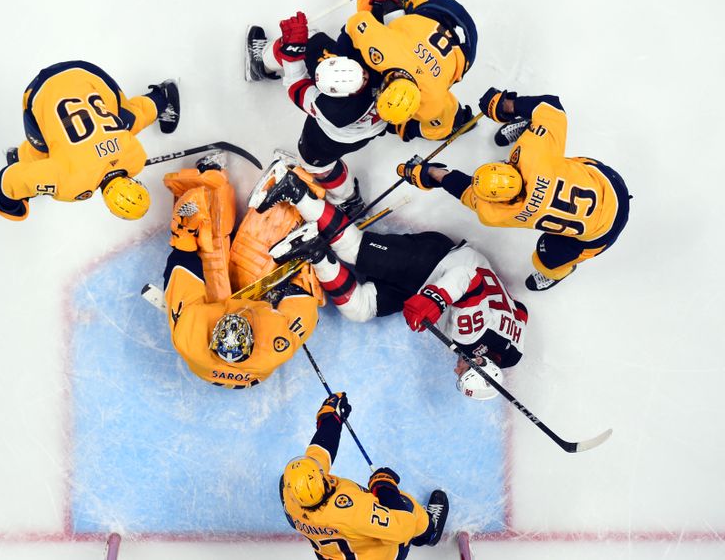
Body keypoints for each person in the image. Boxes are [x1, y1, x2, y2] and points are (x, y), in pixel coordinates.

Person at [253, 160, 527, 400]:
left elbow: (520, 313)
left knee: (360, 310)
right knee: (353, 249)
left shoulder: (511, 353)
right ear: (478, 360)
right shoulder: (468, 335)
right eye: (463, 371)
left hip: (424, 283)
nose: (456, 369)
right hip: (436, 260)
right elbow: (469, 278)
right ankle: (293, 188)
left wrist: (434, 301)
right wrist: (435, 300)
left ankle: (314, 250)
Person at [397, 88, 631, 291]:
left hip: (602, 231)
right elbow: (552, 107)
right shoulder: (533, 155)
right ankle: (534, 129)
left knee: (546, 260)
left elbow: (466, 190)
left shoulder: (497, 213)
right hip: (608, 183)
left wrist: (430, 174)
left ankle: (557, 272)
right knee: (549, 141)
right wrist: (506, 105)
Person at [161, 155, 321, 388]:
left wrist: (185, 238)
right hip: (256, 326)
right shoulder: (274, 346)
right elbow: (305, 303)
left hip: (211, 328)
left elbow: (179, 275)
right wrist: (302, 265)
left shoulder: (190, 336)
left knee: (210, 249)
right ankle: (295, 192)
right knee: (258, 258)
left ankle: (207, 183)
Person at [0, 60, 180, 221]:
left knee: (128, 121)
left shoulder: (135, 158)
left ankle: (161, 98)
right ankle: (21, 159)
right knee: (42, 150)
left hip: (88, 75)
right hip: (39, 92)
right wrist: (11, 208)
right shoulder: (72, 184)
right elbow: (8, 180)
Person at [334, 0, 477, 142]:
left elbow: (446, 121)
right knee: (370, 3)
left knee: (377, 10)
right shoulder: (385, 53)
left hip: (466, 40)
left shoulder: (432, 103)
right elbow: (358, 23)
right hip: (439, 15)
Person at [245, 14, 387, 218]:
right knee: (307, 37)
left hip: (334, 138)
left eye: (362, 77)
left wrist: (293, 53)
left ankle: (347, 199)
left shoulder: (334, 110)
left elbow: (296, 86)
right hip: (377, 118)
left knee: (316, 165)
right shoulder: (374, 66)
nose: (365, 75)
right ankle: (262, 63)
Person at [281, 392, 449, 558]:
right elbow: (403, 528)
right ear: (322, 481)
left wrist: (331, 421)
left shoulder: (291, 496)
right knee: (407, 505)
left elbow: (318, 456)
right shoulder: (354, 511)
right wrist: (384, 487)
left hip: (336, 552)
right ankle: (429, 533)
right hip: (381, 555)